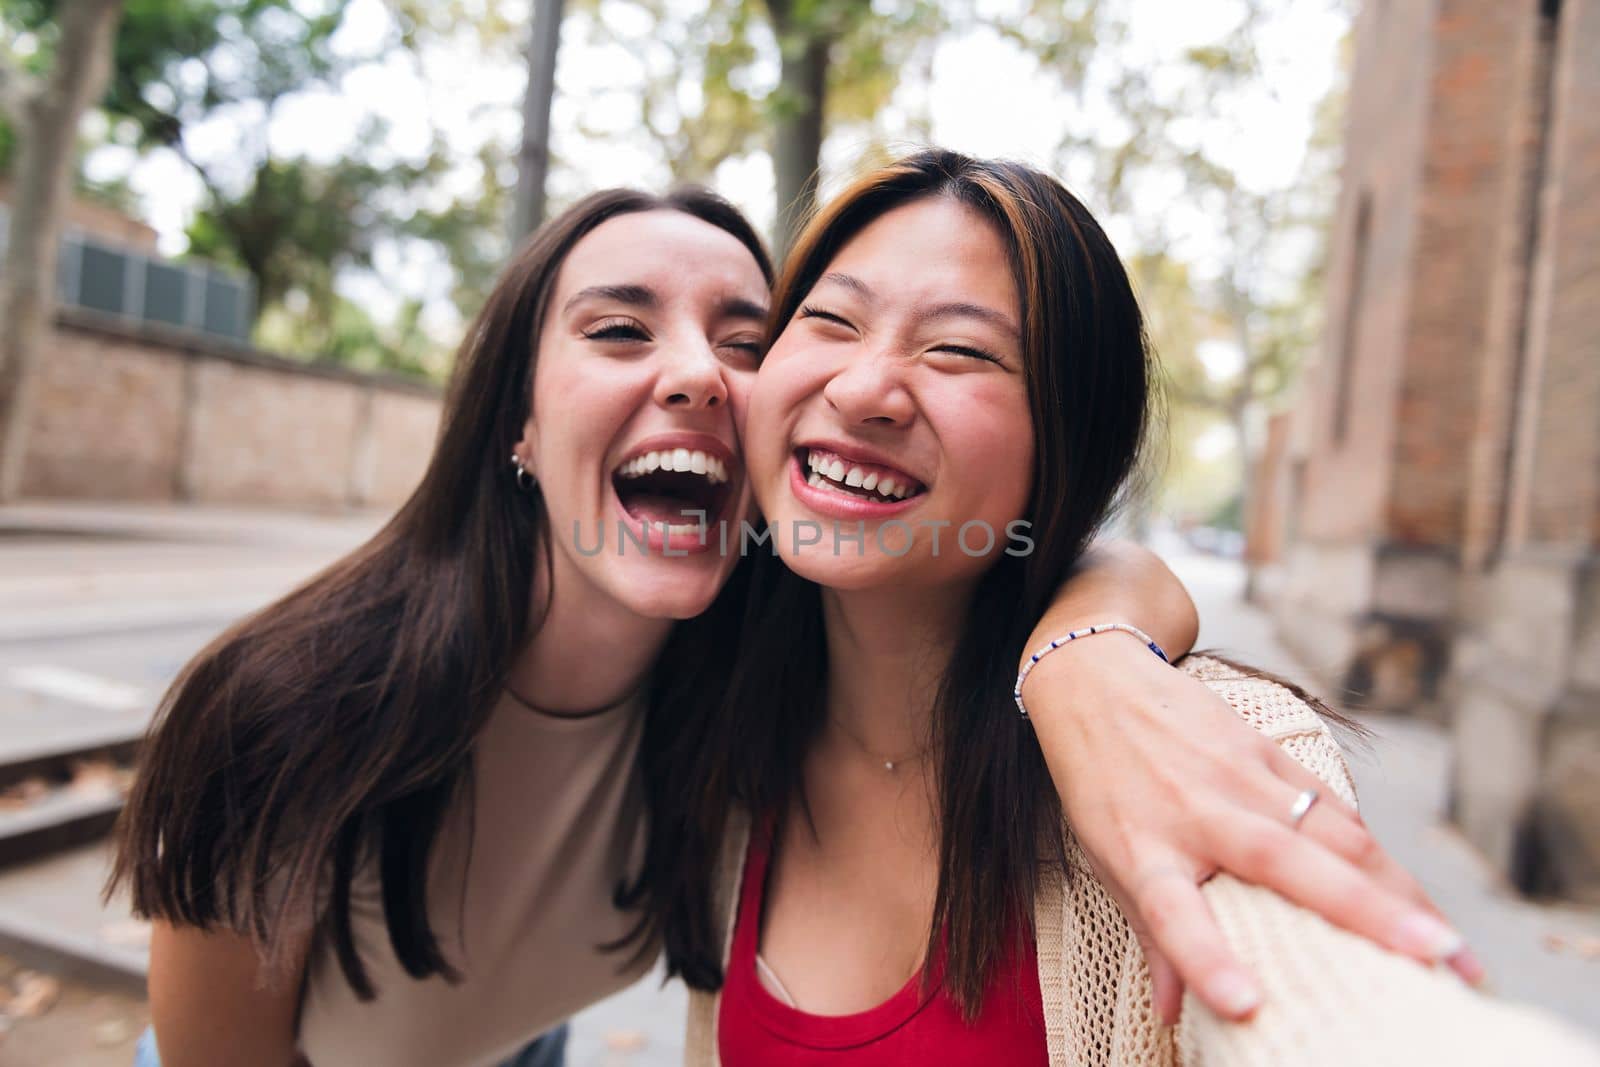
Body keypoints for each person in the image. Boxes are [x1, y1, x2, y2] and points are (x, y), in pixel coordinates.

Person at [115, 183, 1466, 1067]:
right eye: (618, 328)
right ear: (516, 424)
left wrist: (1091, 653)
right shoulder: (298, 715)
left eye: (744, 335)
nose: (700, 371)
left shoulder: (744, 650)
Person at [654, 149, 1600, 1065]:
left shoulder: (1189, 740)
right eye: (831, 321)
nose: (864, 389)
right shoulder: (709, 711)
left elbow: (1320, 1003)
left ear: (1066, 444)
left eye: (959, 350)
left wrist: (1091, 651)